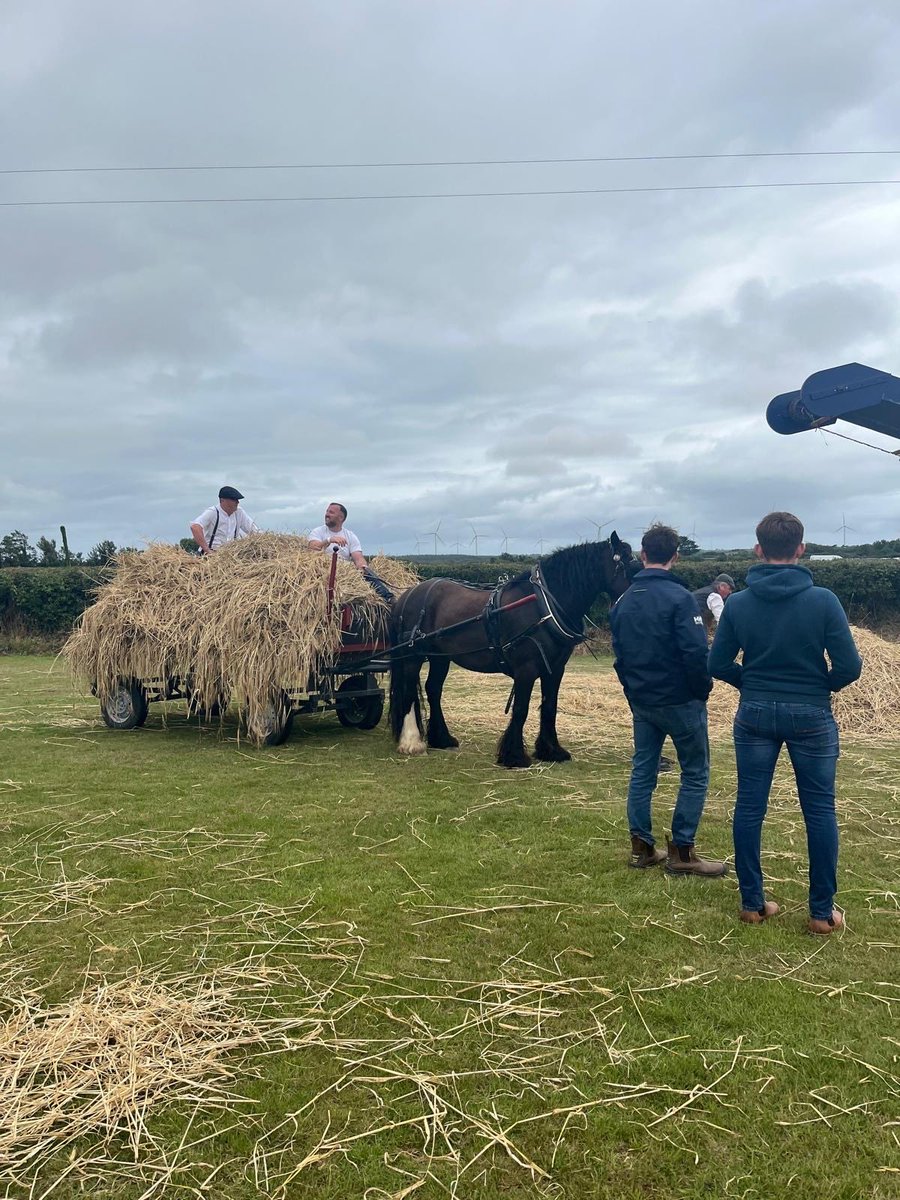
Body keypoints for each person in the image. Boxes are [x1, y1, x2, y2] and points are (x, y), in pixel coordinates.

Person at [709, 512, 862, 933]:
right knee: (819, 810)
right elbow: (850, 665)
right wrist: (820, 687)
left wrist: (750, 684)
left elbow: (717, 662)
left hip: (755, 712)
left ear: (758, 549)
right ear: (801, 549)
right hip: (811, 713)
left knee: (749, 807)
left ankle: (752, 904)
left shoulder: (738, 603)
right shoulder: (823, 600)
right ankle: (821, 912)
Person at [610, 523, 726, 877]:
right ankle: (683, 851)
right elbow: (694, 653)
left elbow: (620, 656)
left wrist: (632, 693)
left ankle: (642, 848)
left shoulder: (623, 601)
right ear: (675, 556)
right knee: (694, 772)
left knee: (643, 769)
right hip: (680, 701)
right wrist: (702, 689)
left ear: (644, 555)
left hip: (642, 702)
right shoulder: (681, 600)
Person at [308, 502, 394, 602]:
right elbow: (312, 548)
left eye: (331, 512)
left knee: (368, 574)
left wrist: (362, 567)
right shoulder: (318, 532)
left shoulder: (350, 536)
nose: (327, 514)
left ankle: (389, 599)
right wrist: (329, 540)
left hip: (345, 573)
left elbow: (358, 558)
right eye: (327, 511)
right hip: (323, 571)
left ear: (340, 518)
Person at [190, 486, 259, 554]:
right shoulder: (213, 512)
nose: (237, 502)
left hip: (229, 556)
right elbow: (195, 527)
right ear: (223, 500)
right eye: (234, 499)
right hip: (209, 556)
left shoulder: (239, 512)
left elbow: (254, 531)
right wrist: (207, 550)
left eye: (237, 500)